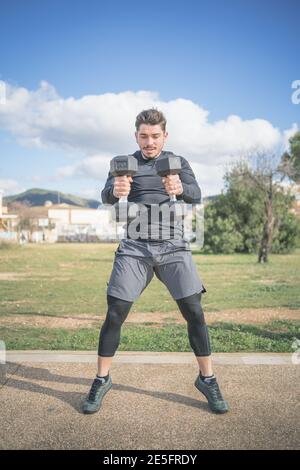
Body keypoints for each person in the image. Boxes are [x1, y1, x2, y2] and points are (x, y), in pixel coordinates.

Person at [82, 109, 229, 414]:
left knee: (194, 311)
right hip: (135, 247)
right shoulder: (125, 163)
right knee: (115, 312)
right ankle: (101, 379)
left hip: (173, 246)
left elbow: (196, 194)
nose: (149, 142)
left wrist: (180, 188)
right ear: (136, 135)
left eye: (155, 136)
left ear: (165, 135)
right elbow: (106, 196)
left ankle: (207, 379)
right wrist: (115, 190)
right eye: (144, 136)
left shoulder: (178, 162)